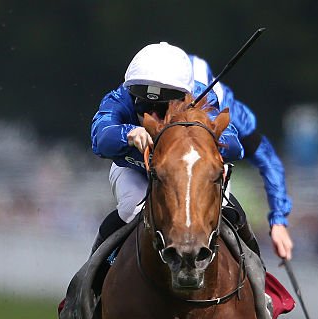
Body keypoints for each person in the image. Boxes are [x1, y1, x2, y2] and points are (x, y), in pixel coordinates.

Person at [91, 42, 293, 261]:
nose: (151, 114)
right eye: (141, 104)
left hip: (193, 171)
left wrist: (197, 135)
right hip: (136, 170)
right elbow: (101, 137)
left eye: (162, 107)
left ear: (183, 97)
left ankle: (255, 281)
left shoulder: (201, 96)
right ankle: (88, 285)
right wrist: (129, 133)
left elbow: (233, 145)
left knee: (230, 213)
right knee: (131, 207)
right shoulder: (118, 97)